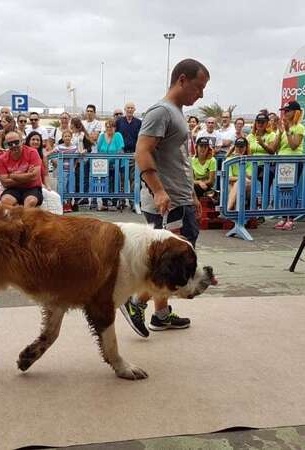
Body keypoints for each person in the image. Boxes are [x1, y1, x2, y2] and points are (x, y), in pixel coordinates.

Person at [120, 58, 209, 337]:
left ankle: (160, 314)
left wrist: (191, 193)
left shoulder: (176, 113)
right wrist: (159, 190)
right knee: (174, 262)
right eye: (198, 87)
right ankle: (136, 302)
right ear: (182, 80)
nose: (201, 94)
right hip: (167, 204)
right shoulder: (161, 112)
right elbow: (142, 152)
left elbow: (179, 159)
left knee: (172, 261)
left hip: (179, 199)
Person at [275, 100, 305, 231]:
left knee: (292, 189)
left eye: (288, 111)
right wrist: (279, 132)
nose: (285, 114)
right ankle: (283, 217)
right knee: (282, 189)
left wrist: (287, 131)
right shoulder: (282, 127)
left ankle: (291, 218)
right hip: (282, 160)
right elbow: (275, 147)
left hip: (294, 161)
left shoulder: (300, 127)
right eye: (284, 111)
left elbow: (294, 145)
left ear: (295, 112)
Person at [0, 131, 43, 207]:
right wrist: (27, 175)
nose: (14, 145)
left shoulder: (32, 152)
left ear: (22, 141)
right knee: (5, 200)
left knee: (31, 201)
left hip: (32, 188)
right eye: (10, 144)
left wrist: (12, 176)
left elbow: (35, 176)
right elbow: (4, 182)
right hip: (13, 189)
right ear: (7, 145)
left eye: (16, 142)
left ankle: (24, 218)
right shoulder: (2, 158)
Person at [96, 118, 125, 210]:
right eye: (107, 127)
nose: (109, 129)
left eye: (111, 126)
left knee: (116, 181)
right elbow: (99, 150)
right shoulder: (101, 136)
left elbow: (120, 149)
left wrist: (116, 158)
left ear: (115, 128)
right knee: (105, 182)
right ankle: (105, 202)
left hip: (116, 164)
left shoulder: (118, 135)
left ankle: (115, 202)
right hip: (104, 165)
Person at [225, 137, 253, 211]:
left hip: (247, 185)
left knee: (242, 182)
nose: (239, 149)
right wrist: (239, 179)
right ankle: (235, 214)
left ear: (246, 148)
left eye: (242, 146)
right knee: (236, 184)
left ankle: (227, 209)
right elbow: (229, 178)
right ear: (235, 147)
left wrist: (241, 163)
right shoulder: (229, 159)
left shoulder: (249, 160)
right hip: (234, 184)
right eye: (237, 146)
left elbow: (249, 177)